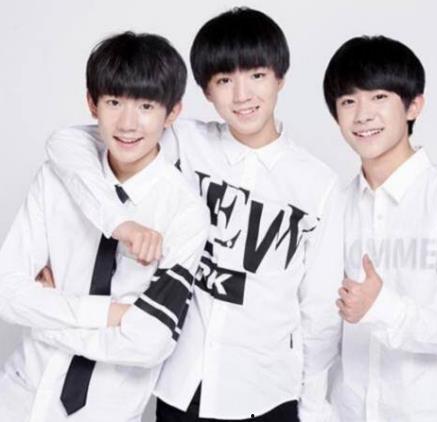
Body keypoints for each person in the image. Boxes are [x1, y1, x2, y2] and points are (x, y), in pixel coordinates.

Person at [45, 7, 343, 422]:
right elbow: (70, 144)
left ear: (280, 78)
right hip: (178, 386)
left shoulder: (318, 184)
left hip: (266, 393)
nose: (242, 95)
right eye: (224, 81)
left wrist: (312, 406)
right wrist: (108, 231)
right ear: (205, 91)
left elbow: (320, 312)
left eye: (257, 75)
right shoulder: (182, 142)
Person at [0, 31, 209, 422]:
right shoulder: (57, 178)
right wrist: (110, 314)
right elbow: (5, 292)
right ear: (91, 103)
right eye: (114, 102)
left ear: (172, 113)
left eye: (146, 105)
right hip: (19, 397)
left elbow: (149, 343)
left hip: (106, 411)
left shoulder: (184, 213)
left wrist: (44, 319)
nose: (128, 123)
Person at [323, 35, 437, 421]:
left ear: (413, 105)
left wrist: (386, 309)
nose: (362, 115)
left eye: (379, 97)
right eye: (348, 101)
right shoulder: (337, 206)